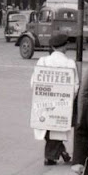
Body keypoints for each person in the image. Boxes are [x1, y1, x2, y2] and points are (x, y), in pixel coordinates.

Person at [31, 33, 78, 165]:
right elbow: (75, 86)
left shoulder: (43, 61)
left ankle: (55, 153)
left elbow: (33, 83)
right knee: (58, 125)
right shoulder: (70, 63)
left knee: (46, 125)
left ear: (52, 46)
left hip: (44, 101)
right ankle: (52, 155)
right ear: (65, 46)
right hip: (63, 102)